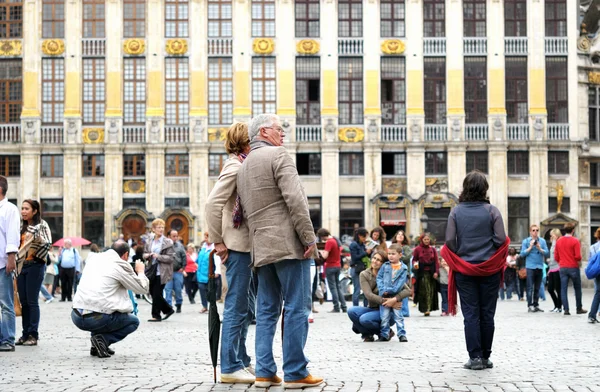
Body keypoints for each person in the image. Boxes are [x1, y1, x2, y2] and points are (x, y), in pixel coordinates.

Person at [236, 113, 323, 389]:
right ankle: (296, 373)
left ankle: (263, 371)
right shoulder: (278, 155)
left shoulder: (245, 164)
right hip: (287, 244)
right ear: (264, 131)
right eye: (279, 128)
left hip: (260, 247)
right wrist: (309, 238)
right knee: (297, 307)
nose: (283, 133)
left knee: (266, 310)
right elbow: (295, 199)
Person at [442, 170, 508, 371]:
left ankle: (475, 358)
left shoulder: (456, 211)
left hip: (465, 270)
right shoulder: (492, 211)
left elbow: (449, 241)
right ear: (484, 189)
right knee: (487, 314)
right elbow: (500, 239)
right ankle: (486, 357)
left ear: (465, 188)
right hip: (489, 269)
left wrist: (461, 255)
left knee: (471, 314)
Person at [205, 121, 256, 384]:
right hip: (236, 247)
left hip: (245, 246)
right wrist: (218, 241)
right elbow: (212, 203)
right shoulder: (236, 165)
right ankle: (229, 365)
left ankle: (241, 360)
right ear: (247, 141)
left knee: (245, 307)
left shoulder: (244, 163)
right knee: (236, 307)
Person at [71, 240, 149, 358]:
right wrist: (141, 271)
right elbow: (142, 289)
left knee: (103, 305)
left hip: (76, 315)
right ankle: (103, 340)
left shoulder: (94, 259)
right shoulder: (119, 265)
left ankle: (96, 345)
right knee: (133, 321)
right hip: (97, 318)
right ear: (126, 255)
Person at [347, 250, 410, 342]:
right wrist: (390, 302)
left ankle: (382, 332)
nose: (375, 261)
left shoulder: (390, 273)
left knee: (364, 320)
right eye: (374, 258)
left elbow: (408, 290)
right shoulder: (364, 274)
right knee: (351, 311)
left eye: (379, 260)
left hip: (388, 312)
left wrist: (395, 299)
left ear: (384, 263)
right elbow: (368, 295)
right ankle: (369, 334)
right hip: (373, 308)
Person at [16, 199, 52, 346]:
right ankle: (25, 334)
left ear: (35, 211)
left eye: (26, 209)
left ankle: (33, 334)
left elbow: (47, 243)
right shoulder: (21, 227)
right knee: (23, 302)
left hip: (35, 265)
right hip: (21, 266)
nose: (23, 211)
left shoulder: (41, 226)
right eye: (22, 208)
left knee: (32, 301)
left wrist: (37, 236)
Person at [0, 176, 20, 352]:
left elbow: (12, 236)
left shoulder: (9, 209)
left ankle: (8, 339)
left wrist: (11, 258)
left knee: (6, 303)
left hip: (3, 263)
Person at [143, 218, 175, 322]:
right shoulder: (149, 241)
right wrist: (148, 255)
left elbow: (171, 258)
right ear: (153, 229)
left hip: (162, 271)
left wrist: (158, 256)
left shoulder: (168, 242)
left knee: (156, 293)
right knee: (152, 292)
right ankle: (168, 309)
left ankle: (156, 315)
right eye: (158, 227)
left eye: (162, 227)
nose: (161, 229)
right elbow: (144, 254)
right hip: (151, 270)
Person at [377, 244, 409, 342]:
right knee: (384, 316)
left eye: (393, 254)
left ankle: (401, 334)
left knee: (398, 316)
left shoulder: (403, 268)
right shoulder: (385, 266)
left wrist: (391, 291)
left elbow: (401, 283)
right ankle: (385, 334)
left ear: (400, 255)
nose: (390, 256)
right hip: (384, 295)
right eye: (389, 253)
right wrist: (382, 290)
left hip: (396, 295)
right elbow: (379, 278)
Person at [555, 223, 586, 316]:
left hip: (563, 267)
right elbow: (578, 256)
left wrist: (561, 261)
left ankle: (566, 309)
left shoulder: (559, 241)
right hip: (573, 267)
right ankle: (579, 308)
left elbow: (556, 256)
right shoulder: (575, 241)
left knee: (563, 289)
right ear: (573, 230)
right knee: (577, 288)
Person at [519, 224, 549, 312]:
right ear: (530, 232)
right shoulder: (526, 241)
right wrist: (530, 247)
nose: (535, 232)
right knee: (530, 288)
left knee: (537, 287)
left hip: (539, 266)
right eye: (533, 230)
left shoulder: (542, 241)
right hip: (530, 267)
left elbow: (547, 253)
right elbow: (522, 254)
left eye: (537, 230)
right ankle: (530, 305)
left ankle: (536, 304)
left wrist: (540, 248)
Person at [317, 228, 347, 313]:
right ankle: (344, 307)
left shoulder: (329, 242)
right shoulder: (335, 240)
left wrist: (320, 251)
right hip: (337, 266)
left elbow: (325, 256)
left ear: (323, 236)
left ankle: (336, 307)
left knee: (333, 288)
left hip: (330, 266)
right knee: (338, 287)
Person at [412, 233, 439, 316]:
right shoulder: (417, 249)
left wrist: (436, 272)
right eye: (425, 240)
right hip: (421, 272)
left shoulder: (433, 250)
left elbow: (436, 262)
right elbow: (414, 260)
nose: (427, 241)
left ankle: (429, 308)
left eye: (428, 239)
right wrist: (415, 265)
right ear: (422, 240)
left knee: (430, 290)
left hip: (431, 272)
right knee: (423, 290)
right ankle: (425, 308)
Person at [196, 232, 220, 314]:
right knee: (202, 289)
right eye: (205, 237)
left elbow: (217, 260)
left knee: (211, 291)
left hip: (210, 273)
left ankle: (212, 306)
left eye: (207, 237)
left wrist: (217, 271)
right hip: (201, 273)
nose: (206, 239)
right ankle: (204, 306)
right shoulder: (203, 247)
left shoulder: (214, 248)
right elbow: (198, 259)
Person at [391, 230, 412, 317]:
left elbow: (407, 258)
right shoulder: (392, 247)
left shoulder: (406, 248)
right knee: (395, 292)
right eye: (398, 234)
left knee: (404, 292)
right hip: (393, 272)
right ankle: (397, 310)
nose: (400, 236)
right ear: (395, 236)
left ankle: (405, 311)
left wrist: (396, 256)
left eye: (402, 235)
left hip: (403, 272)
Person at [164, 229, 185, 313]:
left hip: (177, 271)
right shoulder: (164, 245)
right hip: (168, 271)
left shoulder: (180, 246)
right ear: (169, 236)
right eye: (174, 236)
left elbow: (184, 256)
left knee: (178, 289)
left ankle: (179, 304)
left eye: (176, 236)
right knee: (168, 289)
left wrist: (183, 267)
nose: (175, 238)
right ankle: (169, 306)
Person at [349, 228, 371, 307]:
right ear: (359, 236)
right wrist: (365, 253)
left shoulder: (362, 245)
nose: (365, 239)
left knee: (365, 290)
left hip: (363, 268)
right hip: (356, 269)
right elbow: (354, 258)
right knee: (357, 290)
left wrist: (369, 251)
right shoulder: (354, 244)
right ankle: (355, 307)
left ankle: (365, 306)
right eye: (364, 237)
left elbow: (366, 256)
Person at [547, 229, 563, 312]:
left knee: (558, 289)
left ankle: (559, 307)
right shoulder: (553, 243)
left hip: (558, 268)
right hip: (552, 268)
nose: (551, 236)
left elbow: (557, 253)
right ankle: (556, 305)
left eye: (552, 235)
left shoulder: (558, 242)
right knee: (550, 289)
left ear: (556, 235)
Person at [588, 228, 600, 323]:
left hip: (597, 272)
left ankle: (592, 314)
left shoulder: (593, 247)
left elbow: (590, 260)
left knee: (598, 293)